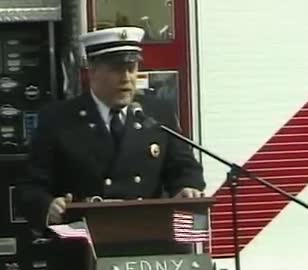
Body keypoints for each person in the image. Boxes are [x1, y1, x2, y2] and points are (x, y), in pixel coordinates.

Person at [18, 27, 206, 231]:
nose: (126, 78)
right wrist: (48, 206)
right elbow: (30, 187)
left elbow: (185, 169)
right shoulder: (58, 119)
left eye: (132, 68)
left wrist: (188, 187)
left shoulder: (157, 114)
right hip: (85, 241)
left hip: (148, 235)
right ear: (92, 70)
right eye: (116, 69)